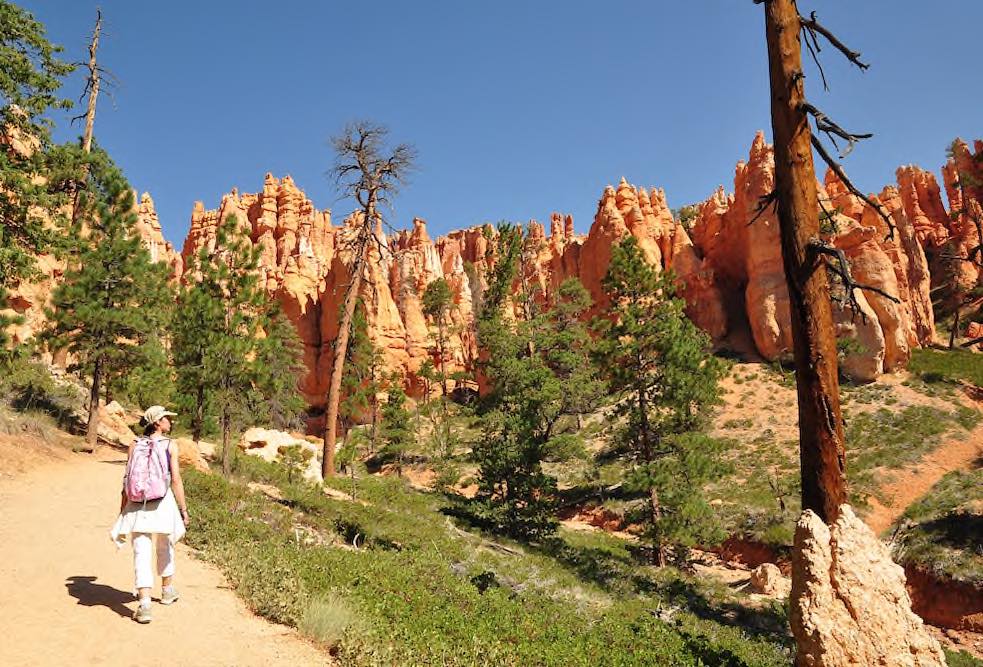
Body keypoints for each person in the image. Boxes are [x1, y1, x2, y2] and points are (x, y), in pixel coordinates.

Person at [110, 405, 190, 623]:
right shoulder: (170, 445)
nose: (170, 422)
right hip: (162, 504)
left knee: (141, 552)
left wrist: (123, 509)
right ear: (157, 423)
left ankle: (144, 605)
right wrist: (183, 509)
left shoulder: (134, 444)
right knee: (166, 544)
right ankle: (167, 590)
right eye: (166, 419)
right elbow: (175, 480)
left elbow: (126, 480)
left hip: (137, 506)